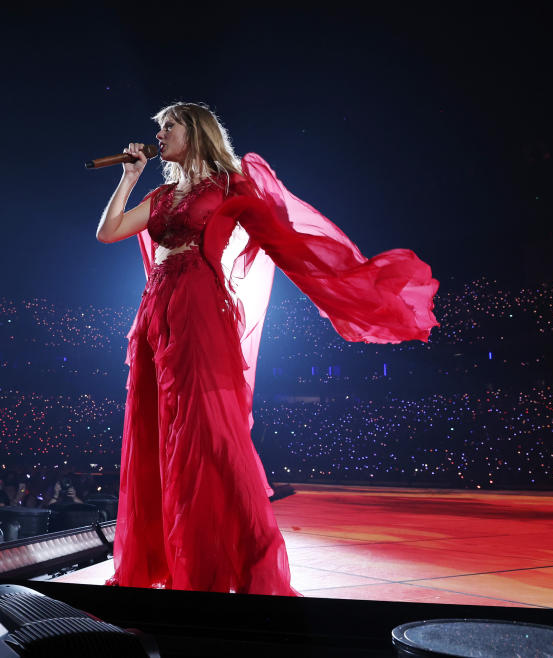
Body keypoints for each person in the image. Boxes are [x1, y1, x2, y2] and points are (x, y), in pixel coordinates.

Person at [95, 102, 439, 595]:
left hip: (198, 308)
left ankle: (226, 562)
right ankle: (170, 558)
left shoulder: (231, 185)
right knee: (156, 431)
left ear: (196, 133)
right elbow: (108, 232)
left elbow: (286, 238)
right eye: (160, 127)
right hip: (155, 315)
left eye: (170, 126)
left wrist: (348, 284)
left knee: (208, 434)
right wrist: (128, 178)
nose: (161, 133)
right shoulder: (163, 193)